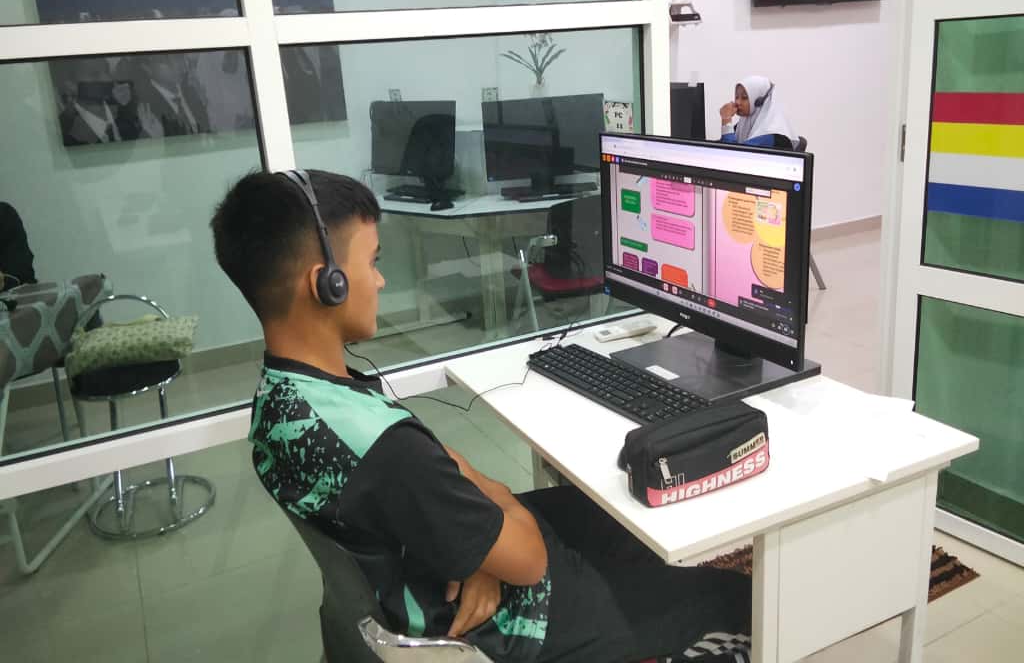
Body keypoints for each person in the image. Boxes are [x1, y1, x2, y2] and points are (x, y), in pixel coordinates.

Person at [210, 170, 752, 663]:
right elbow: (529, 560)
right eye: (372, 262)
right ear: (326, 282)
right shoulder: (382, 449)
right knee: (737, 597)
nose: (380, 281)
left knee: (613, 516)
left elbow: (442, 466)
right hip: (512, 626)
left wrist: (475, 550)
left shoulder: (284, 399)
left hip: (420, 570)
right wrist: (489, 540)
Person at [719, 76, 798, 150]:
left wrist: (726, 119)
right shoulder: (742, 125)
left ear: (759, 102)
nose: (737, 102)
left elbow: (734, 154)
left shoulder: (769, 132)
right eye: (737, 97)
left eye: (744, 97)